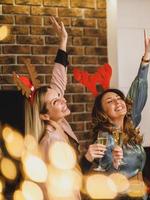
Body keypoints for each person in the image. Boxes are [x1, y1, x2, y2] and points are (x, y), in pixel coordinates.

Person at [24, 17, 104, 199]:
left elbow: (59, 80)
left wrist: (63, 40)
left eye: (59, 96)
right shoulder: (52, 142)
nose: (63, 100)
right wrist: (87, 159)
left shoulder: (59, 124)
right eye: (55, 102)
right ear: (44, 116)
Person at [88, 31, 150, 184]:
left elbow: (138, 91)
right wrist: (113, 164)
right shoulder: (105, 138)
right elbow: (99, 173)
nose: (118, 101)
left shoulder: (129, 125)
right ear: (103, 113)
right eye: (110, 101)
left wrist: (146, 56)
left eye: (119, 98)